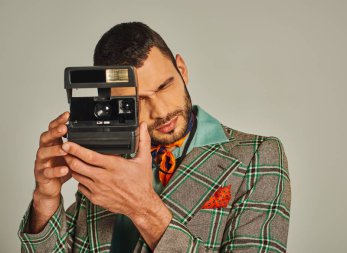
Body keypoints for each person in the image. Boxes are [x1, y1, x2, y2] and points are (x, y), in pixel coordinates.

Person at [18, 22, 291, 252]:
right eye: (137, 101)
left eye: (164, 86)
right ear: (111, 102)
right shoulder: (106, 160)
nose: (160, 110)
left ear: (181, 69)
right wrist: (46, 199)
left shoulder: (257, 155)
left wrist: (143, 208)